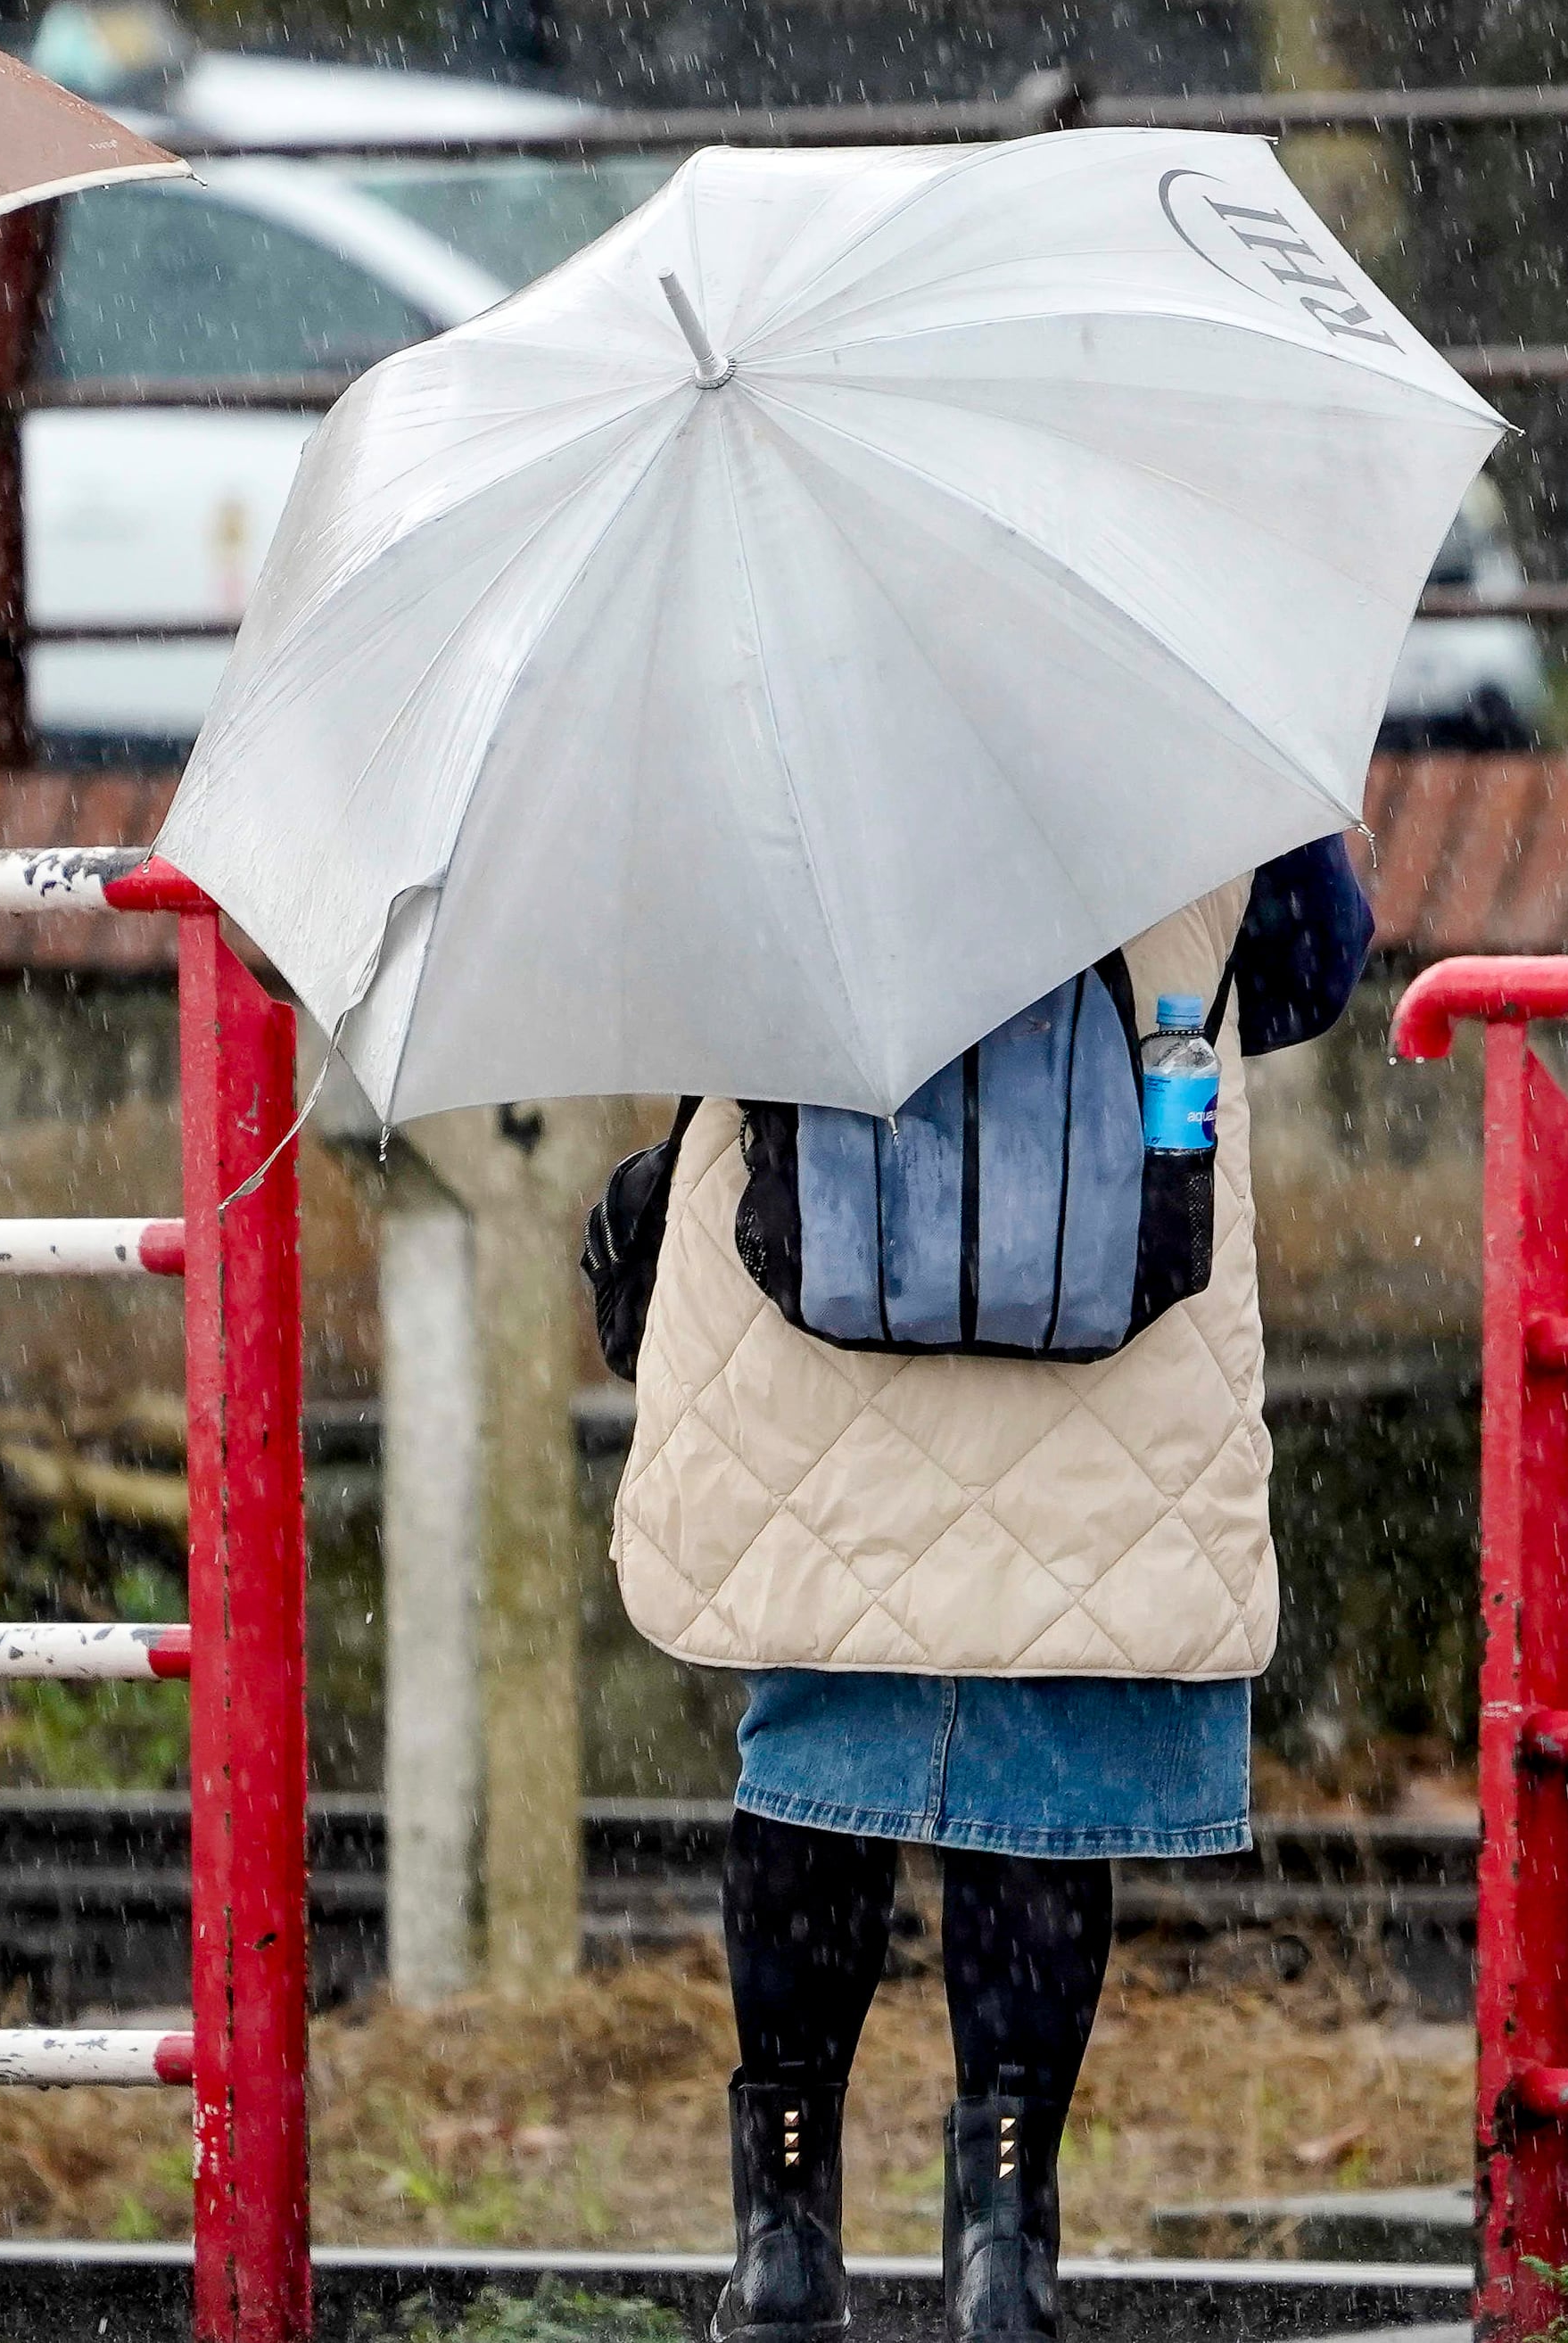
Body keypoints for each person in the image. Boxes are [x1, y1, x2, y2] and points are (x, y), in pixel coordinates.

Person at [609, 839, 1373, 2343]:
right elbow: (1301, 969)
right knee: (1037, 1769)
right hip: (1104, 1266)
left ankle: (781, 2243)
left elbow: (660, 975)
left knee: (818, 1727)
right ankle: (1004, 2248)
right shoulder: (1186, 704)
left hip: (818, 1272)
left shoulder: (763, 710)